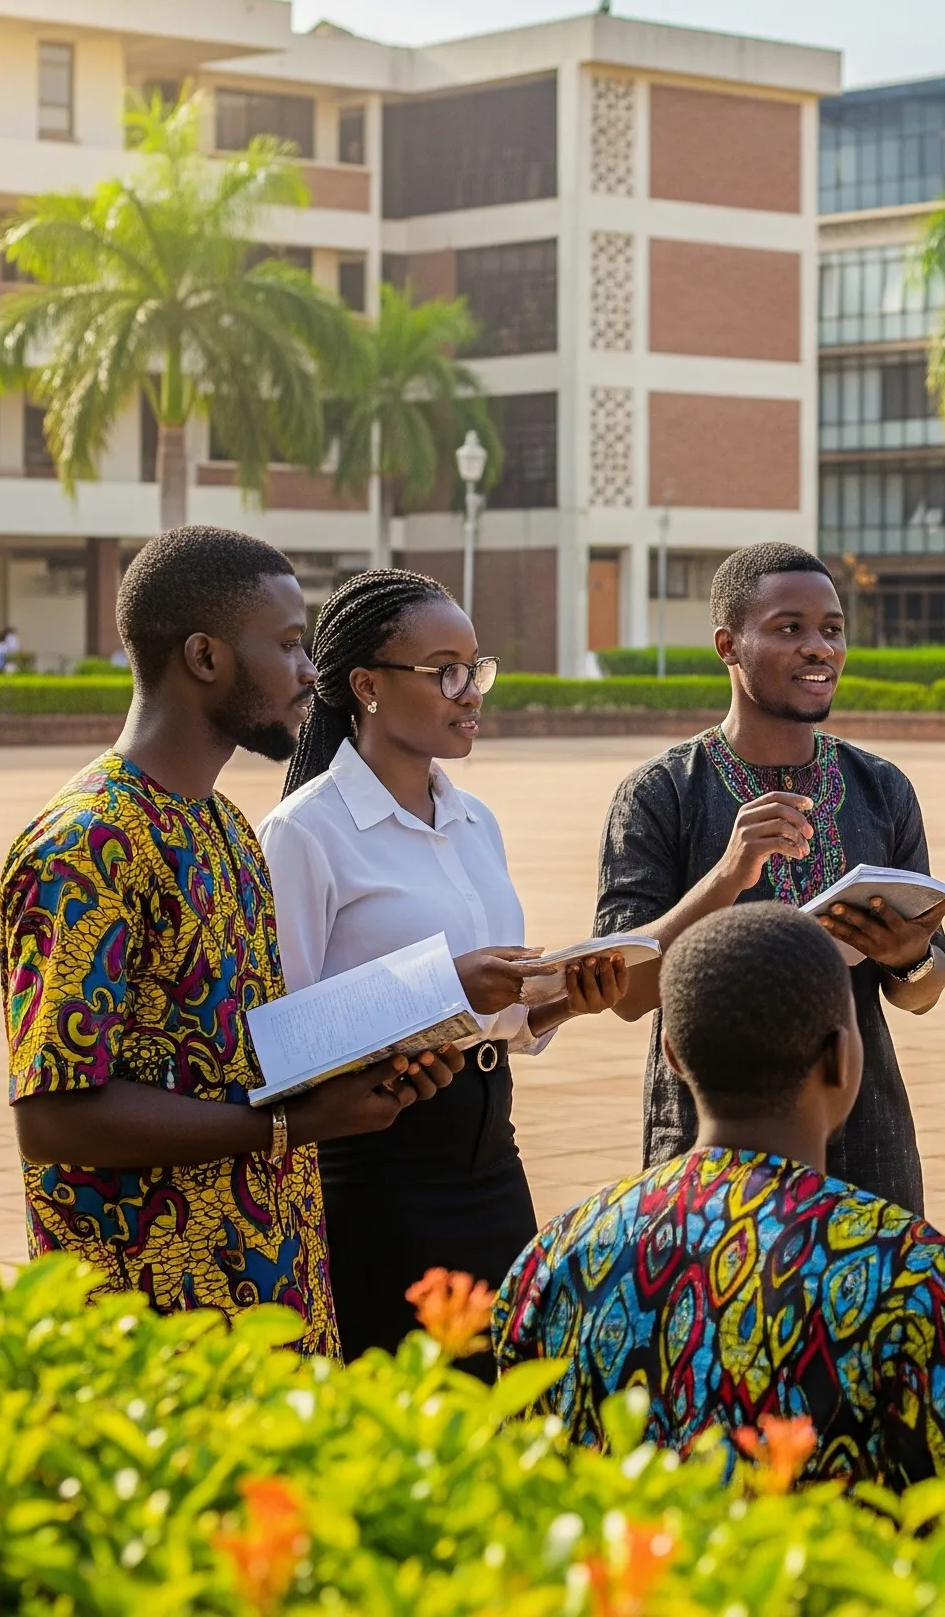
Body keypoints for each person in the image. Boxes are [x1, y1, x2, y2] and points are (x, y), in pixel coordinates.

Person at [0, 526, 457, 1353]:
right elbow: (56, 1116)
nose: (311, 672)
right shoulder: (85, 843)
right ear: (205, 657)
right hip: (154, 1332)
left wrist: (415, 1022)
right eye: (288, 646)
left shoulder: (225, 829)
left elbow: (240, 1045)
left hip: (271, 1297)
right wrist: (293, 1128)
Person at [493, 900, 945, 1528]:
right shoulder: (905, 1273)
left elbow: (520, 1514)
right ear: (842, 1058)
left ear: (675, 1056)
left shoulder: (555, 1260)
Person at [259, 568, 628, 1370]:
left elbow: (490, 1011)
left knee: (511, 1403)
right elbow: (280, 1041)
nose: (471, 692)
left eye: (476, 668)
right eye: (445, 671)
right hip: (378, 1176)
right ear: (366, 686)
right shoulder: (305, 832)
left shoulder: (473, 819)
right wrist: (444, 985)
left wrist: (558, 1001)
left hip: (493, 1164)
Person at [599, 542, 945, 1213]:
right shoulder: (661, 794)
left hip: (866, 1145)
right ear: (729, 644)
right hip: (704, 1154)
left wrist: (909, 957)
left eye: (832, 629)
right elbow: (625, 992)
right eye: (790, 628)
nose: (820, 647)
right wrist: (729, 875)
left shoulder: (880, 789)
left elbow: (924, 993)